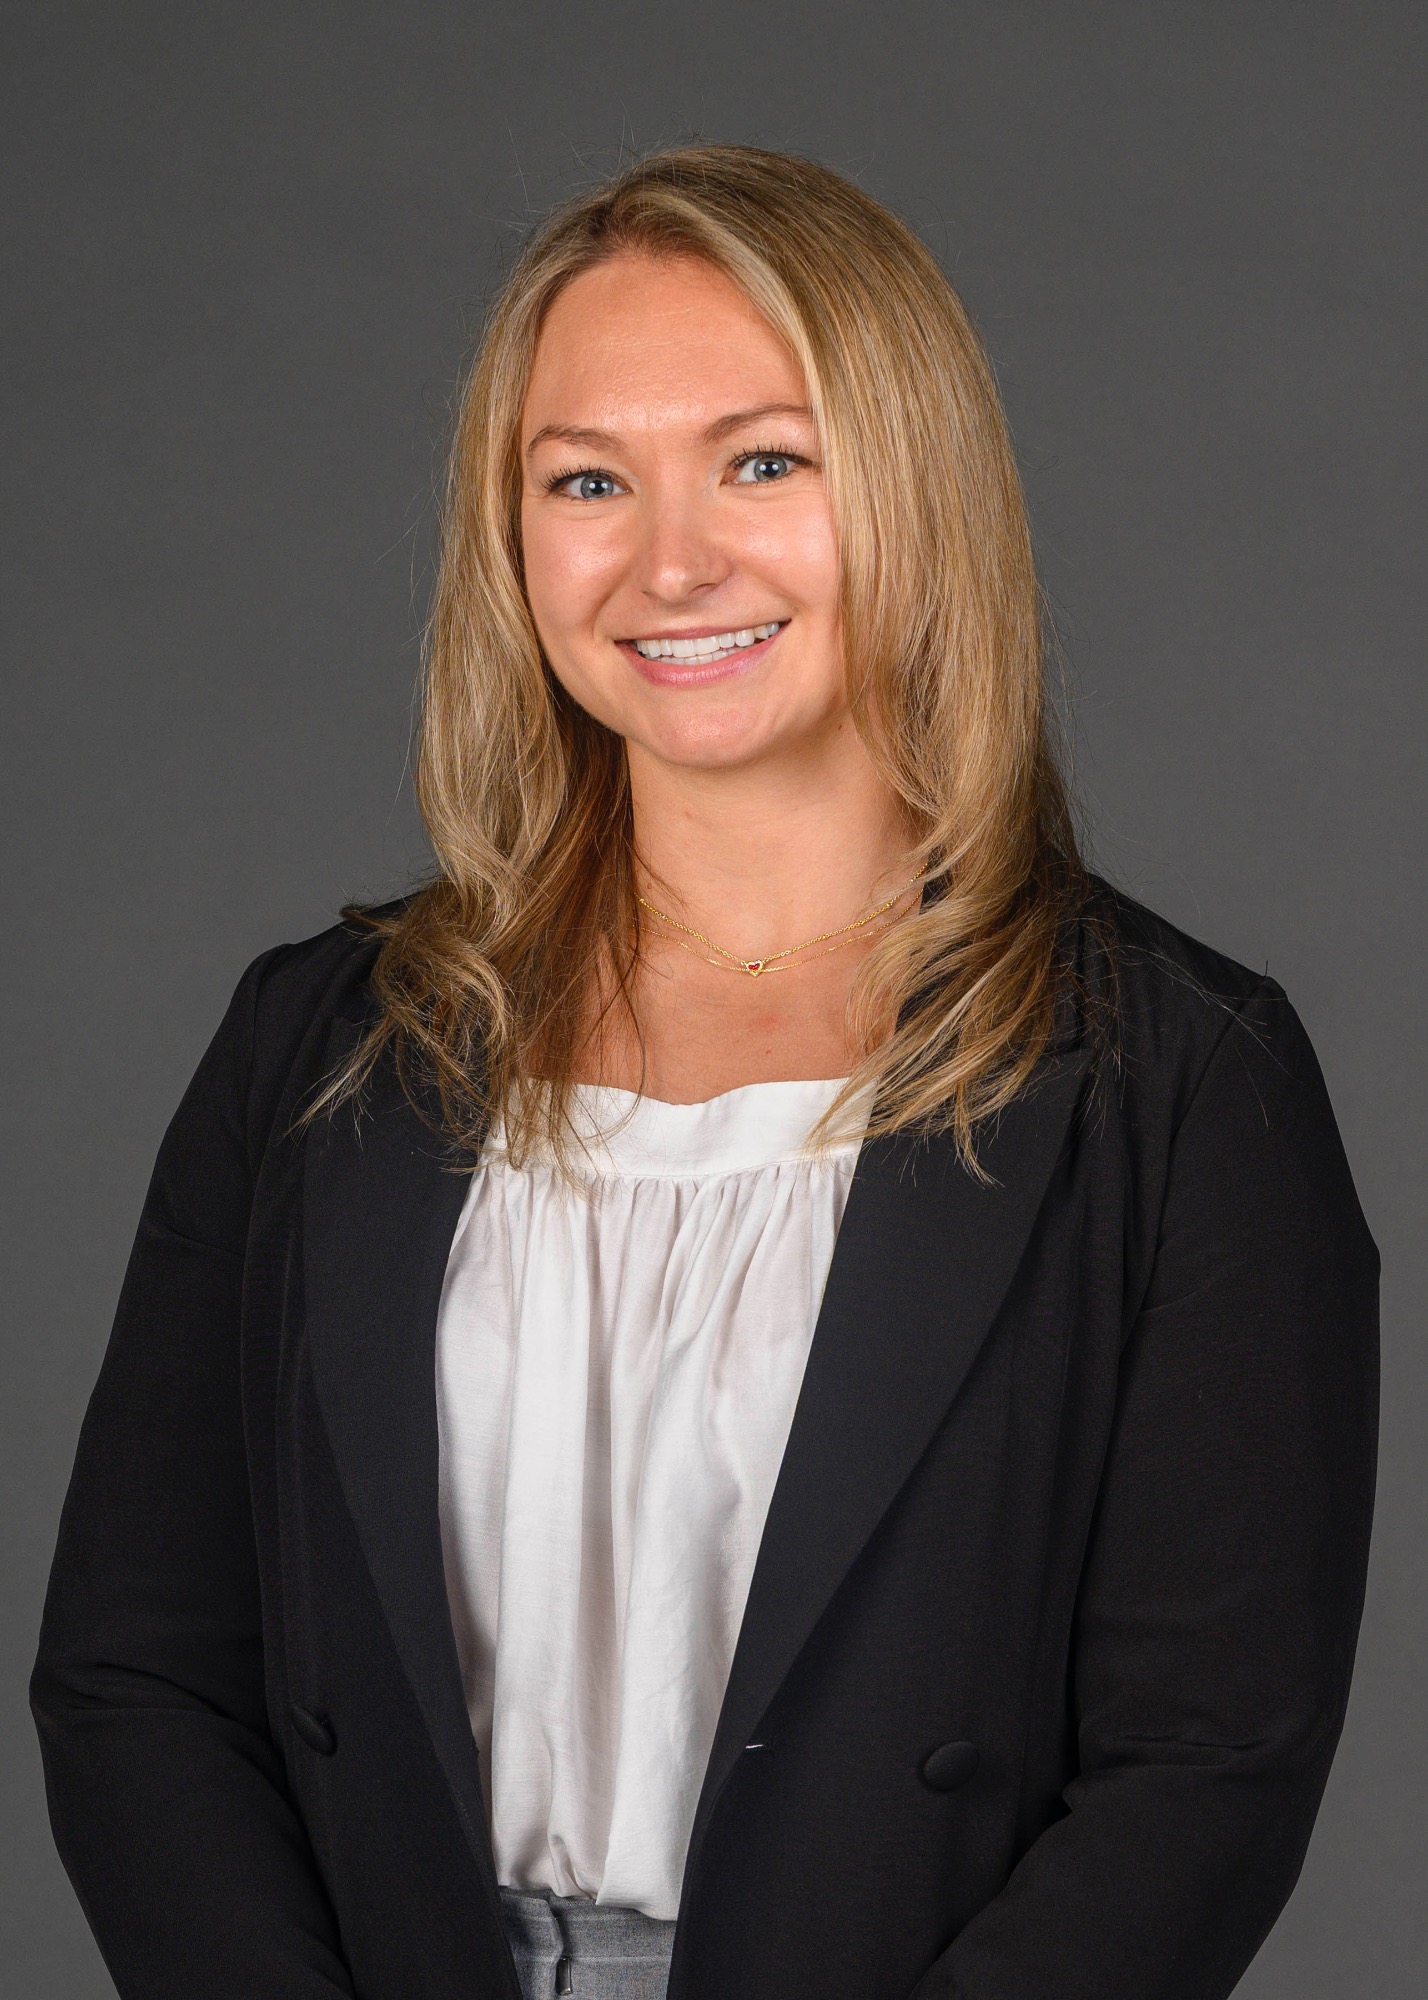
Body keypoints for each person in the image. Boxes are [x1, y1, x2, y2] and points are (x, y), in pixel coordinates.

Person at [31, 145, 1378, 2000]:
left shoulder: (1178, 1081)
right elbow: (139, 1675)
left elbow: (1207, 1768)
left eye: (763, 462)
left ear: (915, 486)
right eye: (587, 480)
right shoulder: (325, 1043)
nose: (670, 562)